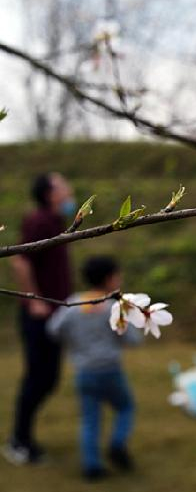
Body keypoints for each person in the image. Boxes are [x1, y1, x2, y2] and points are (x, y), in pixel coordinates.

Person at [47, 256, 141, 481]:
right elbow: (133, 340)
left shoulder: (74, 304)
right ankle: (117, 443)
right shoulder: (114, 307)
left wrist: (75, 342)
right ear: (109, 279)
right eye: (118, 275)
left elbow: (53, 329)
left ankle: (92, 466)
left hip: (84, 372)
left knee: (90, 419)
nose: (120, 279)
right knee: (126, 407)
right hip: (110, 370)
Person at [4, 173, 76, 465]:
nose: (69, 189)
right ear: (49, 193)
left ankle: (22, 437)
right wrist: (33, 300)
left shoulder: (55, 220)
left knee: (48, 378)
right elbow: (20, 259)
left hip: (54, 312)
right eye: (62, 184)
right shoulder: (39, 221)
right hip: (40, 314)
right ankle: (19, 441)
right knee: (39, 378)